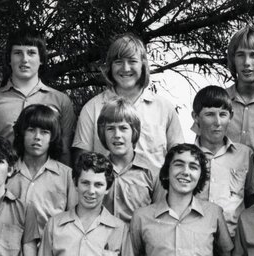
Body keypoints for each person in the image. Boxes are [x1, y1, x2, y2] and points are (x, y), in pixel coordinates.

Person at [0, 28, 75, 179]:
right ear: (9, 59)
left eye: (31, 53)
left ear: (41, 59)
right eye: (18, 53)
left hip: (47, 189)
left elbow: (64, 152)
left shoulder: (61, 101)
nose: (24, 59)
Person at [73, 33, 183, 169]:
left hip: (155, 189)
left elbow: (179, 159)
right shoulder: (92, 108)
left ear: (143, 65)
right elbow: (82, 163)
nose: (125, 68)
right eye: (118, 62)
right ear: (110, 67)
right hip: (106, 189)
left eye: (132, 61)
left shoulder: (164, 108)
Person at [192, 85, 253, 235]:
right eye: (210, 114)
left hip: (234, 237)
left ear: (231, 116)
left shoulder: (245, 155)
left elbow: (253, 200)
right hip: (196, 238)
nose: (217, 122)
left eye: (223, 114)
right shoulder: (186, 156)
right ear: (195, 116)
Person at [7, 104, 76, 230]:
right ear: (21, 133)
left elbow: (74, 224)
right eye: (31, 130)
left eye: (44, 132)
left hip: (52, 245)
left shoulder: (67, 176)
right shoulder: (7, 172)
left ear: (53, 137)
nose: (37, 137)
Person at [97, 98, 158, 222]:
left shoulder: (152, 173)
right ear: (102, 133)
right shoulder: (96, 171)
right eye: (110, 128)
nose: (117, 135)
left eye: (123, 128)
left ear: (134, 131)